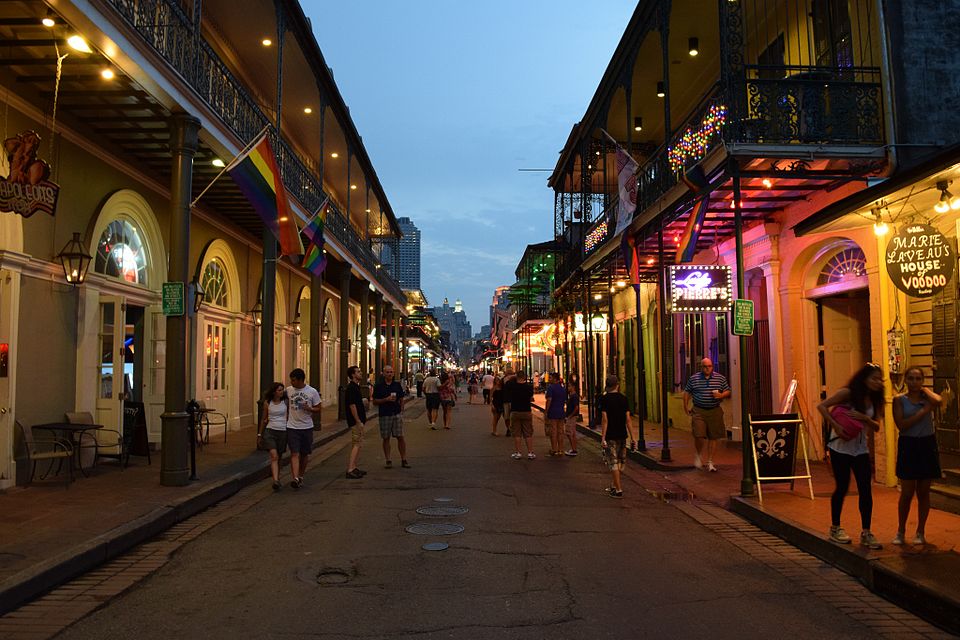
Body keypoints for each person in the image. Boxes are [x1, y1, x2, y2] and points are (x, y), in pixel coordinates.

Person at [817, 362, 885, 550]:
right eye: (874, 378)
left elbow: (877, 426)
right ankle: (835, 527)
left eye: (880, 379)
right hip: (840, 448)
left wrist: (865, 418)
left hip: (861, 449)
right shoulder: (847, 393)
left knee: (865, 488)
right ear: (864, 379)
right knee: (842, 486)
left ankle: (866, 531)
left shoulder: (876, 399)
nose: (878, 382)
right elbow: (822, 406)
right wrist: (836, 426)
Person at [892, 366, 946, 546]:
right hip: (909, 444)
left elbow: (938, 400)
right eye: (911, 378)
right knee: (907, 492)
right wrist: (923, 412)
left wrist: (924, 390)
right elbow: (902, 424)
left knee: (924, 492)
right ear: (905, 380)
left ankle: (920, 531)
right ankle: (900, 530)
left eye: (918, 379)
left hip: (926, 444)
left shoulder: (927, 398)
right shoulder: (899, 400)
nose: (914, 382)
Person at [682, 357, 730, 472]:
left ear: (712, 367)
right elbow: (687, 392)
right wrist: (685, 406)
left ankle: (710, 462)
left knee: (713, 437)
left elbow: (727, 390)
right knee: (699, 435)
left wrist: (721, 395)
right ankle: (698, 455)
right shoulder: (694, 379)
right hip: (699, 410)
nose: (707, 368)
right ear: (701, 367)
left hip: (714, 410)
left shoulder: (720, 378)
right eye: (705, 366)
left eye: (709, 366)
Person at [599, 375, 637, 498]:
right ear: (617, 385)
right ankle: (614, 485)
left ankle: (618, 489)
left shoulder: (605, 399)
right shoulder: (624, 399)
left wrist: (603, 436)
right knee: (620, 462)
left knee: (613, 462)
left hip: (611, 435)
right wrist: (633, 437)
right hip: (622, 434)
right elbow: (628, 419)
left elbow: (605, 419)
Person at [285, 368, 322, 489]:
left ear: (301, 380)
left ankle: (301, 475)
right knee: (294, 453)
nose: (292, 382)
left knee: (304, 453)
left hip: (306, 427)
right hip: (292, 427)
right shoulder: (289, 391)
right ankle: (295, 478)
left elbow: (318, 408)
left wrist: (309, 408)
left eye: (294, 380)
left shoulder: (312, 392)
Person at [372, 365, 411, 469]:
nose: (389, 374)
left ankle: (404, 459)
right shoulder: (379, 386)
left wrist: (401, 410)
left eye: (391, 372)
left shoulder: (396, 385)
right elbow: (375, 401)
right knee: (386, 438)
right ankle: (388, 459)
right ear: (383, 373)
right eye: (387, 372)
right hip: (385, 414)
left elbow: (401, 398)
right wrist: (386, 399)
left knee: (400, 436)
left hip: (396, 413)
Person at [257, 382, 288, 491]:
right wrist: (260, 434)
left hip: (282, 431)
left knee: (279, 457)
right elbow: (264, 419)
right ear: (274, 392)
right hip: (270, 431)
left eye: (282, 390)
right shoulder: (267, 403)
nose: (281, 392)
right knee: (274, 455)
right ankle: (275, 480)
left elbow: (289, 416)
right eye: (279, 390)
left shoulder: (285, 402)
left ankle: (277, 478)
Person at [344, 366, 368, 479]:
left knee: (358, 443)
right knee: (357, 443)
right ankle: (350, 468)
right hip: (355, 421)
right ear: (353, 375)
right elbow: (352, 405)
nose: (361, 373)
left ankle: (354, 466)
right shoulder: (352, 388)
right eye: (358, 372)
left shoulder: (355, 387)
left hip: (359, 419)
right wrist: (358, 421)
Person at [509, 370, 536, 460]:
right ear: (524, 377)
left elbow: (508, 382)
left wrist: (513, 377)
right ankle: (530, 452)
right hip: (526, 411)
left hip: (515, 411)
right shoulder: (529, 387)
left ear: (516, 377)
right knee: (528, 433)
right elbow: (531, 398)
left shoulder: (513, 386)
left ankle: (518, 452)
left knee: (517, 434)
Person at [544, 372, 567, 456]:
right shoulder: (562, 388)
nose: (549, 379)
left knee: (553, 431)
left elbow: (549, 400)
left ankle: (554, 449)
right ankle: (561, 449)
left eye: (550, 378)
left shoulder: (551, 388)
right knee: (560, 431)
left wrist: (546, 411)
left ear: (555, 379)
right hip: (561, 411)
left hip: (553, 411)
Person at [563, 380, 580, 456]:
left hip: (571, 416)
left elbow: (576, 407)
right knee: (572, 433)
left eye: (569, 386)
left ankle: (574, 449)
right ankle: (574, 448)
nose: (568, 387)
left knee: (569, 432)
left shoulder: (574, 396)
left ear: (573, 387)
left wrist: (570, 416)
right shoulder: (572, 395)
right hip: (571, 416)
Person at [502, 367, 517, 436]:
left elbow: (500, 390)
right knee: (514, 416)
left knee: (506, 416)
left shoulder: (503, 380)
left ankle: (508, 428)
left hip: (506, 400)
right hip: (514, 400)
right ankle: (512, 428)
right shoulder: (516, 380)